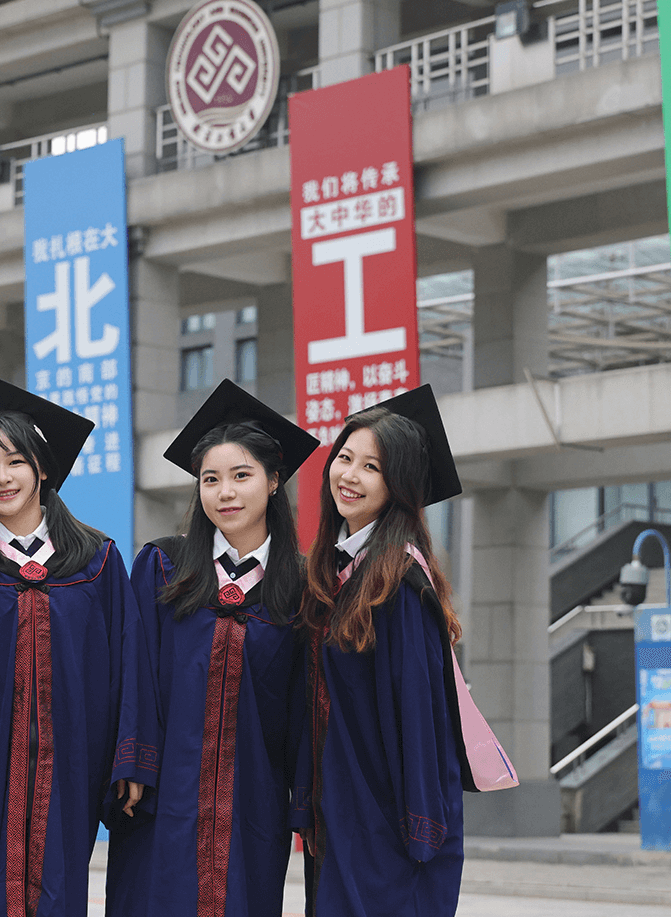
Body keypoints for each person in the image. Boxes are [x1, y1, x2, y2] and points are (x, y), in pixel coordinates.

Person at [0, 377, 159, 917]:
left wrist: (130, 757)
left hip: (71, 770)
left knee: (58, 887)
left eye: (15, 462)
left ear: (43, 469)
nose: (2, 477)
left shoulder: (97, 562)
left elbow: (129, 664)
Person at [107, 379, 317, 917]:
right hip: (163, 794)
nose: (225, 493)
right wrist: (133, 761)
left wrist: (305, 798)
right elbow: (134, 670)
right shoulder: (164, 567)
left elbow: (306, 705)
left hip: (253, 799)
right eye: (210, 479)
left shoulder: (300, 588)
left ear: (274, 480)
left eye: (241, 476)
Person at [296, 385, 467, 917]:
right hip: (345, 807)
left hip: (387, 821)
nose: (349, 475)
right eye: (344, 458)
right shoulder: (341, 571)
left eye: (371, 467)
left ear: (399, 486)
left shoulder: (399, 583)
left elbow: (419, 714)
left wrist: (421, 829)